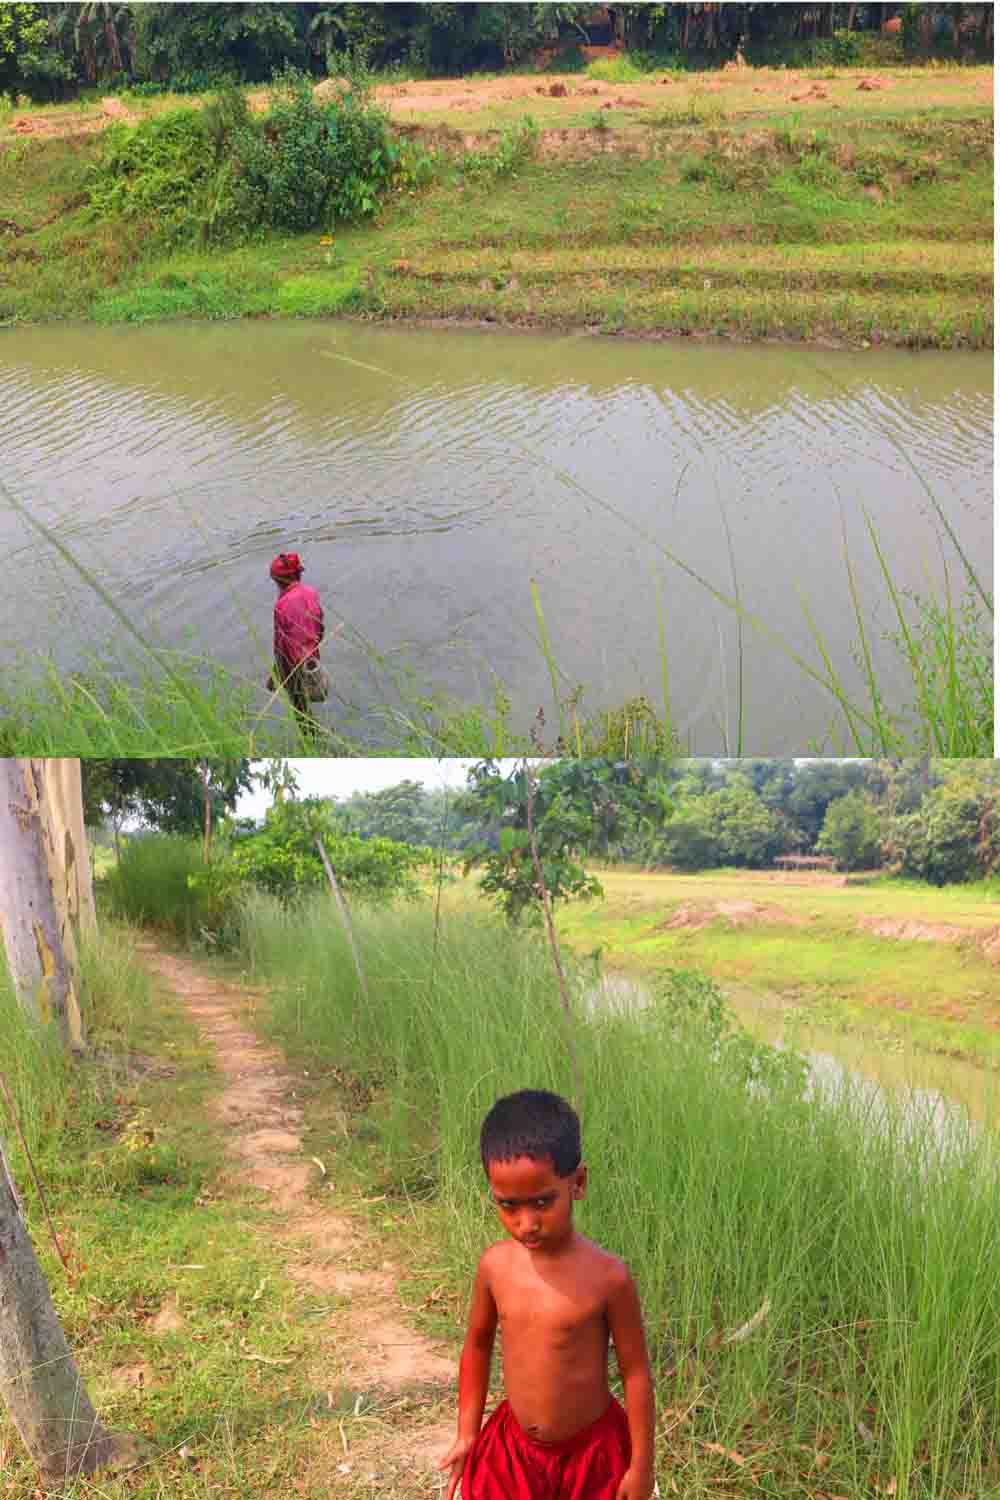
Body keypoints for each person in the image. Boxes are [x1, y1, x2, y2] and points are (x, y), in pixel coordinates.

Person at [439, 1089, 656, 1500]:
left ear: (578, 1183)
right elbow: (478, 1345)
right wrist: (467, 1432)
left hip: (592, 1455)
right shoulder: (495, 1267)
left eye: (542, 1202)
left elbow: (636, 1372)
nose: (526, 1223)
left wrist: (642, 1464)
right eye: (508, 1205)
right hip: (513, 1452)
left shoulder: (609, 1277)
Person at [266, 552, 325, 737]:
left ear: (278, 580)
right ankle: (316, 736)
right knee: (309, 701)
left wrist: (276, 674)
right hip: (312, 660)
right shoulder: (311, 593)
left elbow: (281, 645)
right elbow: (320, 627)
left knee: (300, 710)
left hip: (294, 667)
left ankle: (313, 742)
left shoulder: (282, 605)